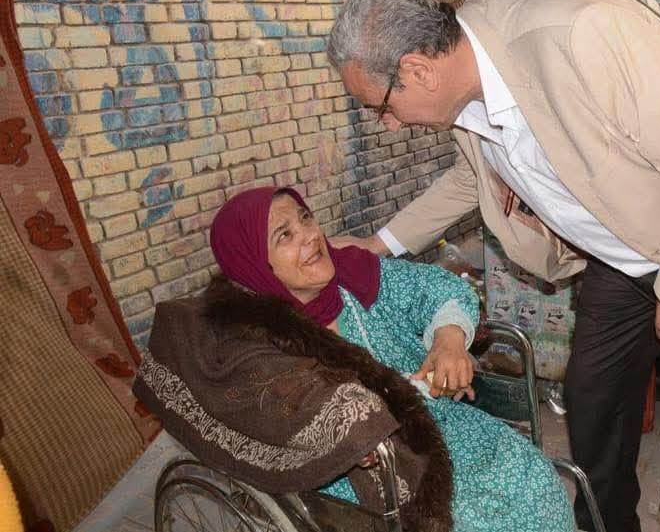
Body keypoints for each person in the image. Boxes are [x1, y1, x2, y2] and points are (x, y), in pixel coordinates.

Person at [327, 0, 660, 532]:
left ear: (417, 70)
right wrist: (380, 245)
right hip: (624, 255)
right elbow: (472, 176)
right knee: (594, 399)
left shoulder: (582, 36)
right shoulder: (466, 72)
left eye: (380, 107)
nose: (389, 124)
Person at [133, 186, 575, 532]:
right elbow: (286, 411)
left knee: (532, 477)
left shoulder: (353, 276)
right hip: (356, 473)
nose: (309, 236)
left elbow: (435, 287)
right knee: (476, 520)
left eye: (305, 218)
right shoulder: (253, 340)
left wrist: (449, 339)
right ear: (254, 263)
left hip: (438, 426)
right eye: (284, 236)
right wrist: (353, 434)